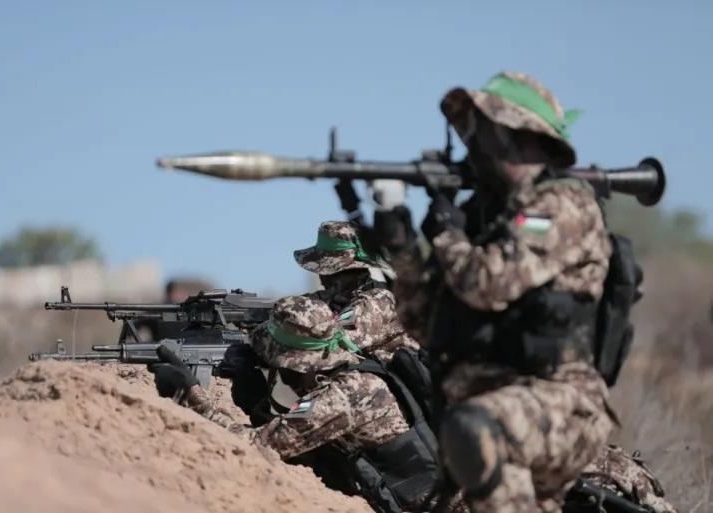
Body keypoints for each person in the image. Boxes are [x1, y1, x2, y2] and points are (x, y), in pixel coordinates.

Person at [376, 71, 616, 513]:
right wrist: (403, 248)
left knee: (474, 430)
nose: (472, 149)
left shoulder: (562, 204)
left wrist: (447, 235)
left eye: (481, 134)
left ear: (516, 136)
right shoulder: (485, 220)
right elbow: (425, 326)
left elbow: (488, 284)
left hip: (558, 405)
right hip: (492, 411)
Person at [149, 295, 441, 513]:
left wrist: (191, 395)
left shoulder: (345, 395)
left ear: (297, 363)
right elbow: (299, 442)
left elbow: (256, 446)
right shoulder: (356, 372)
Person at [296, 220, 419, 363]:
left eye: (324, 271)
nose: (321, 279)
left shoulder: (373, 301)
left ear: (341, 273)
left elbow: (329, 345)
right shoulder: (353, 296)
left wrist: (307, 312)